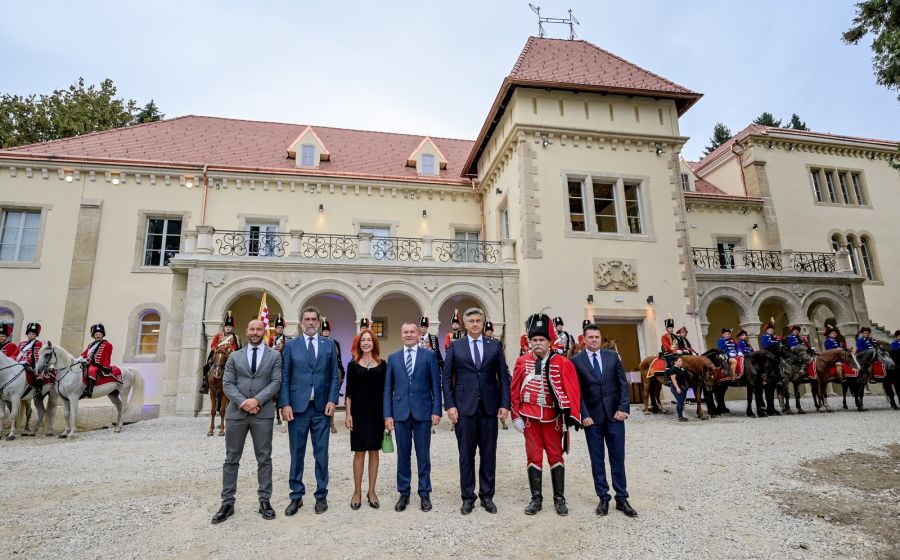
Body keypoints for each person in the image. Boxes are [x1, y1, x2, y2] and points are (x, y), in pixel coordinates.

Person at [211, 319, 283, 524]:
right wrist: (244, 403)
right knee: (231, 458)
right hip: (236, 413)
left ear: (264, 331)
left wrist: (256, 401)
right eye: (252, 329)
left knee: (264, 458)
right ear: (246, 331)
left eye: (259, 329)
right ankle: (227, 502)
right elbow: (227, 383)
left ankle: (264, 500)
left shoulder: (274, 356)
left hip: (262, 413)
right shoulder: (234, 355)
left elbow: (276, 382)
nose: (255, 332)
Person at [510, 312, 581, 516]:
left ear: (549, 342)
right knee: (533, 456)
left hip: (553, 418)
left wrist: (572, 414)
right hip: (529, 417)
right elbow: (514, 390)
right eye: (534, 340)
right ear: (530, 342)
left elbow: (572, 389)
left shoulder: (561, 362)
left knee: (555, 456)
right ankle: (536, 499)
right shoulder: (522, 362)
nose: (538, 343)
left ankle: (559, 498)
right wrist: (515, 416)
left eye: (542, 340)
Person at [442, 307, 510, 515]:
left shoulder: (494, 346)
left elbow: (503, 377)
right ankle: (468, 497)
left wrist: (505, 404)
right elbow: (446, 378)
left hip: (489, 408)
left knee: (488, 455)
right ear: (465, 323)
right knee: (466, 456)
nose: (474, 324)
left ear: (483, 322)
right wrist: (450, 405)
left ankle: (487, 496)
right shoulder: (456, 346)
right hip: (464, 409)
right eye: (471, 320)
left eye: (478, 320)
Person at [570, 323, 637, 517]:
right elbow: (577, 391)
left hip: (615, 417)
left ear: (600, 338)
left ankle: (622, 499)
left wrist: (623, 409)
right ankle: (603, 497)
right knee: (597, 460)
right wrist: (584, 415)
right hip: (592, 420)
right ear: (584, 339)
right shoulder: (576, 361)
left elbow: (622, 384)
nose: (594, 340)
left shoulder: (612, 357)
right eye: (590, 337)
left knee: (618, 459)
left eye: (597, 337)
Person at [278, 307, 340, 516]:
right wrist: (285, 404)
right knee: (297, 453)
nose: (311, 322)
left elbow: (334, 376)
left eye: (314, 319)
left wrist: (332, 400)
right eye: (307, 319)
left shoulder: (329, 344)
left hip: (321, 408)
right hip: (297, 409)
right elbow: (285, 376)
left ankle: (321, 495)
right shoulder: (291, 346)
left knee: (321, 454)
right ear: (301, 322)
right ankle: (296, 496)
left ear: (319, 322)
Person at [384, 321, 442, 513]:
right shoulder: (393, 358)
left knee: (423, 456)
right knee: (403, 455)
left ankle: (424, 493)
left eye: (412, 332)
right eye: (405, 332)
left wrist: (436, 410)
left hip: (423, 413)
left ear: (418, 335)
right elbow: (388, 389)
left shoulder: (429, 356)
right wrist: (388, 415)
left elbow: (435, 385)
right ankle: (404, 493)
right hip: (400, 414)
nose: (409, 335)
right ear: (401, 335)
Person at [345, 328, 386, 510]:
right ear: (359, 343)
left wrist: (387, 416)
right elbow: (349, 393)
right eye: (363, 340)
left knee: (374, 452)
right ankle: (357, 492)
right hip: (358, 414)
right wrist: (348, 414)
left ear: (374, 343)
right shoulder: (353, 365)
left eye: (369, 340)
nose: (366, 343)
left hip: (377, 414)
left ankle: (372, 491)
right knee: (359, 452)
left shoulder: (383, 365)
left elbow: (386, 392)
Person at [202, 312, 241, 394]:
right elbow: (213, 344)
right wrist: (216, 348)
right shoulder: (218, 336)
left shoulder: (234, 337)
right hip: (218, 352)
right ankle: (205, 383)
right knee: (207, 366)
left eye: (230, 327)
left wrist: (231, 349)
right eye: (227, 327)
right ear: (224, 327)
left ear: (232, 328)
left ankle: (237, 384)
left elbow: (235, 346)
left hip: (228, 354)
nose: (228, 328)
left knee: (237, 367)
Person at [321, 317, 345, 435]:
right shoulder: (318, 341)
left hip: (333, 366)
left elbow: (338, 357)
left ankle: (338, 387)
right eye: (324, 331)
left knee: (341, 372)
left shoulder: (334, 342)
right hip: (321, 368)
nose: (326, 332)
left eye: (327, 331)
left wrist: (340, 367)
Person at [74, 323, 113, 399]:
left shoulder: (107, 344)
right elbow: (85, 353)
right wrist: (80, 359)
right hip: (87, 363)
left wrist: (105, 366)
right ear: (93, 336)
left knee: (92, 370)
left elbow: (107, 356)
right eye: (96, 334)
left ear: (102, 335)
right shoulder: (90, 345)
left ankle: (89, 389)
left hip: (98, 365)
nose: (98, 336)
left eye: (100, 334)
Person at [16, 322, 43, 394]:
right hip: (17, 363)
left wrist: (26, 362)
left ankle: (37, 389)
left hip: (30, 364)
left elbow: (36, 355)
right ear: (27, 334)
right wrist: (12, 360)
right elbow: (15, 353)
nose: (31, 335)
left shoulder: (38, 343)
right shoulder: (22, 343)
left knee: (32, 372)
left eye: (33, 334)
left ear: (36, 335)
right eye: (29, 334)